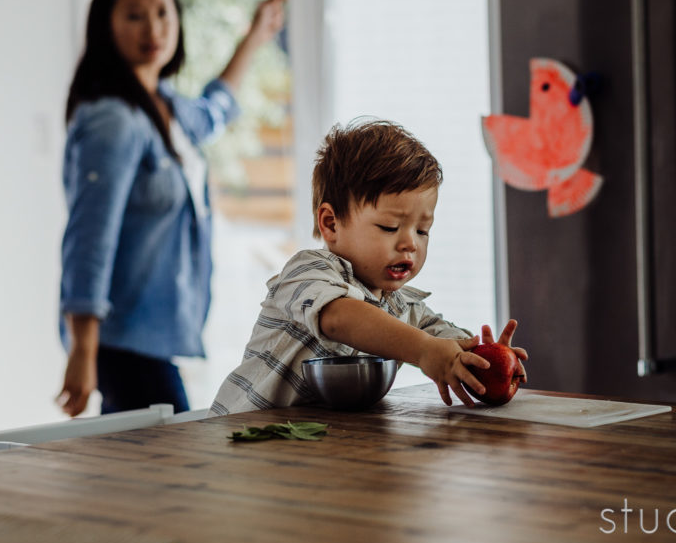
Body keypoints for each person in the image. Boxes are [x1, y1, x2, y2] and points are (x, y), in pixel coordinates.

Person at [57, 0, 285, 417]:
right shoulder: (114, 121)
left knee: (142, 478)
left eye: (163, 12)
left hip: (152, 340)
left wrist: (255, 37)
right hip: (122, 342)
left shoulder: (166, 109)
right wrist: (82, 350)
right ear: (107, 26)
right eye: (134, 14)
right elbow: (89, 238)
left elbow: (214, 110)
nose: (153, 28)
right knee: (170, 467)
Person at [209, 119, 528, 416]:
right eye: (390, 227)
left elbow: (446, 346)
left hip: (309, 450)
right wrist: (424, 350)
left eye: (422, 230)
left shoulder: (404, 308)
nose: (410, 244)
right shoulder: (308, 271)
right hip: (240, 436)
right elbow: (339, 318)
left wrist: (483, 362)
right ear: (331, 224)